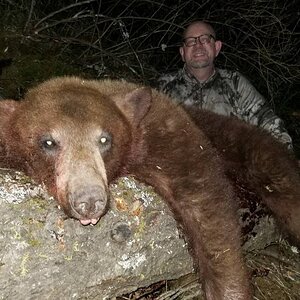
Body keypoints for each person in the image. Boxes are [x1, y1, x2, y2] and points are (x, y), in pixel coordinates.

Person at [158, 21, 293, 149]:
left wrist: (284, 159)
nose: (198, 45)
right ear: (182, 52)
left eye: (205, 39)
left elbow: (270, 124)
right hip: (181, 168)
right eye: (191, 41)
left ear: (217, 47)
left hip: (232, 168)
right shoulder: (163, 88)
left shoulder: (235, 83)